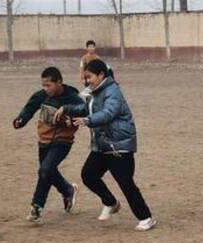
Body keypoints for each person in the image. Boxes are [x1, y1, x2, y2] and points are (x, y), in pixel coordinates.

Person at [54, 59, 157, 231]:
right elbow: (86, 108)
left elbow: (108, 113)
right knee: (88, 175)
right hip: (103, 145)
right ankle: (111, 202)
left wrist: (88, 121)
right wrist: (66, 109)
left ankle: (146, 218)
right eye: (85, 78)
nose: (87, 81)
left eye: (90, 77)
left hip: (119, 145)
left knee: (125, 183)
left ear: (101, 75)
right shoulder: (94, 92)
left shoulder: (113, 91)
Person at [13, 67, 84, 223]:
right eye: (43, 85)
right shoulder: (42, 96)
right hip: (44, 141)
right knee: (47, 172)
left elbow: (84, 112)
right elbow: (29, 108)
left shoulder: (73, 97)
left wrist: (69, 121)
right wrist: (21, 119)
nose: (45, 89)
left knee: (45, 170)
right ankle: (68, 190)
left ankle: (36, 206)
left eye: (48, 85)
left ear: (59, 82)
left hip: (62, 142)